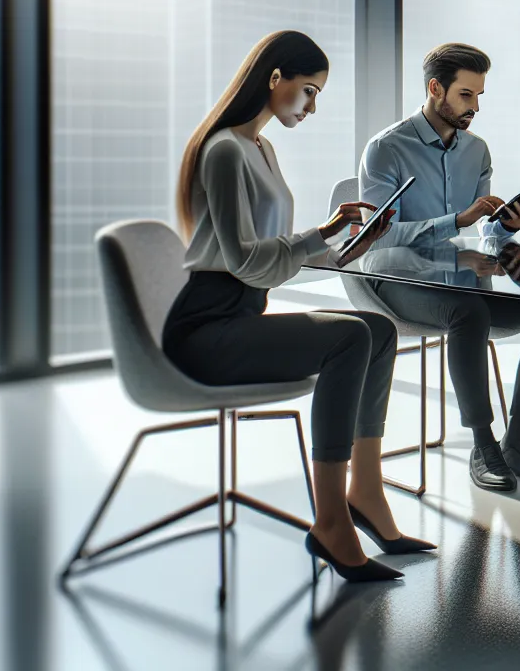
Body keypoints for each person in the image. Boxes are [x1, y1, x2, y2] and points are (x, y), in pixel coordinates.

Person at [163, 30, 431, 582]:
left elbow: (269, 261)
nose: (311, 107)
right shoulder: (223, 151)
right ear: (274, 78)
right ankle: (331, 519)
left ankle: (367, 494)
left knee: (377, 330)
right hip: (204, 331)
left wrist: (337, 242)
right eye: (308, 91)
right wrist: (322, 233)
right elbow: (243, 262)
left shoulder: (261, 148)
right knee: (350, 337)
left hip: (240, 315)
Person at [359, 43, 520, 492]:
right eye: (465, 95)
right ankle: (483, 445)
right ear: (435, 89)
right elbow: (377, 235)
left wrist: (506, 228)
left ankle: (516, 441)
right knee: (468, 312)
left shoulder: (476, 151)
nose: (474, 107)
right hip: (390, 277)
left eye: (478, 96)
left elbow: (485, 237)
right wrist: (456, 220)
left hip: (453, 274)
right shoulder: (386, 149)